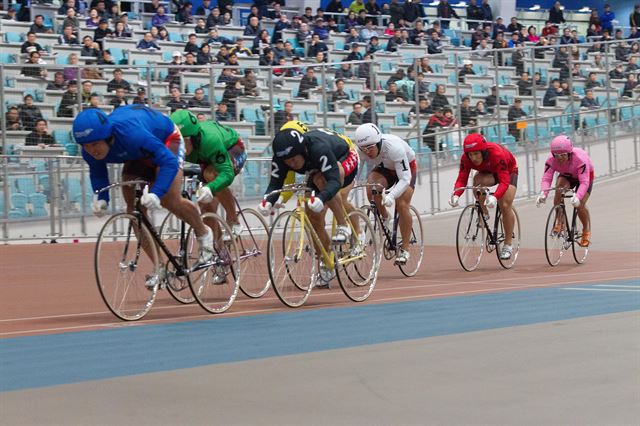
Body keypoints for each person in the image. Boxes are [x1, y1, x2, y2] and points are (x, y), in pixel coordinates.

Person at [72, 106, 214, 278]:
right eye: (86, 146)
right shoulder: (89, 152)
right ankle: (159, 267)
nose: (92, 150)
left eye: (95, 144)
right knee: (134, 210)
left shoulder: (132, 135)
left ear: (108, 136)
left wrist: (157, 193)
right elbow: (98, 172)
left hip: (165, 139)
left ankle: (203, 232)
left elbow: (169, 162)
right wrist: (102, 198)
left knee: (169, 199)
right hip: (137, 152)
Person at [258, 122, 360, 283]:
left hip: (344, 155)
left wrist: (322, 197)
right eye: (287, 161)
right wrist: (267, 200)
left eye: (293, 159)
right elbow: (275, 183)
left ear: (302, 150)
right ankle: (326, 262)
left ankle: (343, 225)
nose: (291, 164)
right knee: (313, 218)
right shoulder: (281, 158)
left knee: (323, 181)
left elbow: (333, 180)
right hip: (316, 166)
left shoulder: (317, 149)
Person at [170, 109, 246, 235]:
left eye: (183, 142)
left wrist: (210, 187)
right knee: (205, 206)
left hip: (232, 148)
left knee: (212, 175)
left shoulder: (210, 139)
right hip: (207, 157)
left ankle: (234, 220)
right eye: (177, 142)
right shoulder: (177, 145)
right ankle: (218, 248)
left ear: (193, 138)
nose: (180, 148)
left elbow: (227, 173)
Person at [449, 134, 519, 260]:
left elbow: (504, 182)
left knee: (504, 204)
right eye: (470, 155)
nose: (473, 158)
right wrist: (456, 194)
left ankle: (508, 245)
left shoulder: (496, 154)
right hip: (488, 171)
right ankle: (484, 212)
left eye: (476, 154)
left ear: (483, 151)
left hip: (508, 171)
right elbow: (462, 178)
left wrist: (495, 197)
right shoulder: (466, 158)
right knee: (477, 181)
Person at [354, 123, 416, 264]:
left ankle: (405, 249)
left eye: (370, 147)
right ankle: (385, 216)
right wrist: (348, 196)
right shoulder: (362, 151)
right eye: (363, 148)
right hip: (386, 167)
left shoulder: (394, 148)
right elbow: (354, 177)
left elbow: (405, 179)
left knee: (401, 204)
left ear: (378, 142)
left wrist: (391, 196)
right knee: (372, 188)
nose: (367, 152)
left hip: (406, 168)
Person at [536, 135, 593, 247]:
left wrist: (578, 196)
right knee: (558, 188)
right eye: (557, 155)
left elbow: (584, 182)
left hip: (585, 178)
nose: (560, 158)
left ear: (569, 153)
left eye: (563, 155)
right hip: (567, 175)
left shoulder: (580, 160)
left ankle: (586, 230)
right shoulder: (551, 161)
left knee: (580, 204)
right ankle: (560, 221)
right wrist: (543, 193)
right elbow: (547, 178)